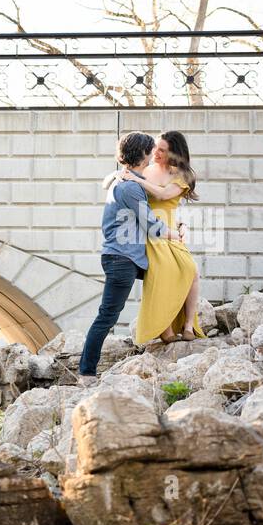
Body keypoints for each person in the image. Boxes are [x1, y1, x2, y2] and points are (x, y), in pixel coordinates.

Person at [78, 132, 176, 386]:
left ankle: (167, 329)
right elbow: (149, 223)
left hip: (127, 257)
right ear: (142, 154)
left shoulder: (123, 180)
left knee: (172, 273)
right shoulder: (131, 186)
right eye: (150, 151)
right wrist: (173, 234)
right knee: (107, 316)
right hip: (123, 259)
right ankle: (87, 373)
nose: (153, 156)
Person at [125, 130, 204, 344]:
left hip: (171, 231)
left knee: (191, 270)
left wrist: (181, 224)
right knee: (163, 272)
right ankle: (165, 329)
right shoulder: (145, 171)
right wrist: (134, 178)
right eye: (156, 148)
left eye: (162, 150)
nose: (156, 152)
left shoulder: (182, 175)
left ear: (174, 154)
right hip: (152, 230)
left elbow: (163, 196)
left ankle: (188, 325)